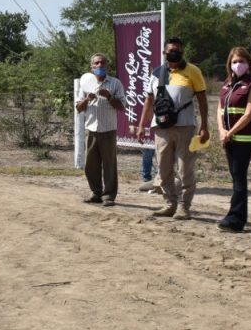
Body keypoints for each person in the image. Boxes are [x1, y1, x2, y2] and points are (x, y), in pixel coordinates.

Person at [134, 37, 209, 220]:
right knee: (164, 167)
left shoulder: (193, 71)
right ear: (164, 53)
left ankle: (184, 207)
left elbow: (202, 99)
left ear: (182, 52)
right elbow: (148, 100)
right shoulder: (157, 73)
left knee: (185, 168)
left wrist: (205, 126)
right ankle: (170, 203)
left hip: (186, 127)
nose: (174, 53)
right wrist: (141, 125)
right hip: (161, 128)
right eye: (170, 51)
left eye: (177, 50)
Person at [216, 47, 251, 232]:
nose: (238, 65)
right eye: (234, 62)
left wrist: (230, 132)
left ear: (249, 64)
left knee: (239, 175)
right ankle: (235, 214)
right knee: (235, 176)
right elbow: (220, 110)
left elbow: (249, 114)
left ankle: (236, 219)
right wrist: (221, 131)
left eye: (242, 61)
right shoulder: (227, 84)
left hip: (245, 137)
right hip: (228, 138)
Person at [76, 53, 126, 206]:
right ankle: (95, 193)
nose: (99, 66)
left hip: (108, 130)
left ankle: (109, 196)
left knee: (109, 164)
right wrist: (87, 99)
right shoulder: (86, 83)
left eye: (102, 63)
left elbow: (122, 107)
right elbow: (78, 108)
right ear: (91, 67)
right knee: (91, 164)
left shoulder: (115, 83)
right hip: (91, 129)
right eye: (96, 63)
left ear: (107, 66)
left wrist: (110, 97)